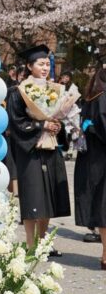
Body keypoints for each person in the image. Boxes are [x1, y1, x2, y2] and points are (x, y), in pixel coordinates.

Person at [6, 45, 69, 254]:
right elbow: (16, 122)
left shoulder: (54, 89)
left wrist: (57, 126)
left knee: (49, 196)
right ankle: (30, 244)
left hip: (50, 148)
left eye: (47, 64)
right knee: (33, 196)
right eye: (40, 64)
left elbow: (58, 117)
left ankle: (43, 242)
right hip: (30, 150)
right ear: (29, 66)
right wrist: (41, 125)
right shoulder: (18, 92)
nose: (45, 68)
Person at [74, 56, 106, 266]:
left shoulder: (92, 97)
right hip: (102, 158)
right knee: (104, 206)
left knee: (101, 205)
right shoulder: (103, 98)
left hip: (93, 159)